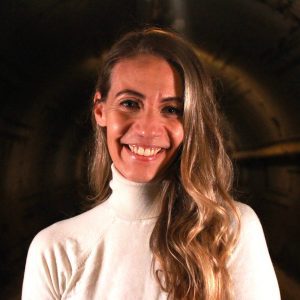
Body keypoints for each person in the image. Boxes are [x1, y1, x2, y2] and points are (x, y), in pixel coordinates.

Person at [22, 28, 280, 300]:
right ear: (100, 110)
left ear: (191, 121)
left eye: (171, 110)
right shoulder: (55, 249)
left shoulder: (230, 232)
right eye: (130, 103)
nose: (147, 129)